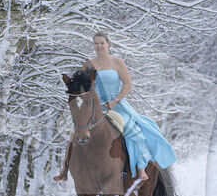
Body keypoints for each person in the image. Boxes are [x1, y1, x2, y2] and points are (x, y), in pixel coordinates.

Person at [54, 31, 177, 182]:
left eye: (102, 43)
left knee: (132, 130)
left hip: (116, 104)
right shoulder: (88, 64)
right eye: (96, 43)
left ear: (108, 44)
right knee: (76, 131)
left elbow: (128, 84)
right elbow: (83, 87)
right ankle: (65, 169)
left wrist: (115, 100)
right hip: (94, 107)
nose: (99, 46)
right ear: (94, 46)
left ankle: (140, 166)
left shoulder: (117, 62)